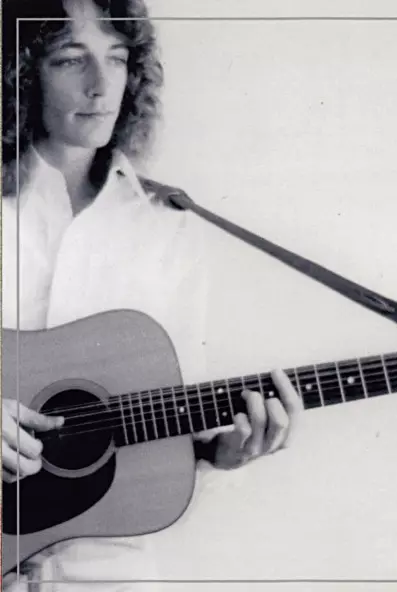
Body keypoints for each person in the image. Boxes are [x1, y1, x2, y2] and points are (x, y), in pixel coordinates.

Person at [1, 0, 303, 589]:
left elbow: (177, 418)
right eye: (70, 59)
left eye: (117, 59)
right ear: (20, 72)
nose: (100, 86)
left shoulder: (169, 228)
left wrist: (219, 454)